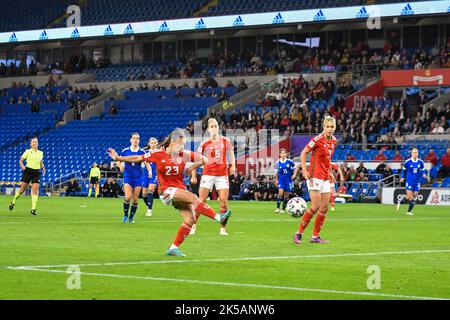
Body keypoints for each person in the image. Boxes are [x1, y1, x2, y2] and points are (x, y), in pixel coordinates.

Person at [107, 128, 232, 257]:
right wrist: (118, 158)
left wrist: (191, 169)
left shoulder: (183, 154)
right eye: (180, 143)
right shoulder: (158, 153)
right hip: (166, 191)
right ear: (172, 142)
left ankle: (173, 248)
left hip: (179, 190)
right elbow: (138, 157)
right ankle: (219, 218)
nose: (182, 146)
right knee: (193, 197)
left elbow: (204, 160)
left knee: (191, 219)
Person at [293, 116, 337, 245]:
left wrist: (330, 173)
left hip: (325, 177)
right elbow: (303, 152)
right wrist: (304, 170)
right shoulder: (317, 140)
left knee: (324, 208)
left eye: (332, 127)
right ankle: (298, 233)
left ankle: (315, 236)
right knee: (315, 206)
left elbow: (327, 160)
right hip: (314, 176)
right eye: (327, 127)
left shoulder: (334, 141)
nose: (330, 129)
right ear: (323, 126)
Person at [190, 118, 236, 236]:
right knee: (201, 200)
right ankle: (193, 225)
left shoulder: (226, 140)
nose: (214, 128)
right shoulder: (204, 143)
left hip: (222, 175)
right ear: (208, 129)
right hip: (208, 174)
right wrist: (194, 174)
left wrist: (233, 166)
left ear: (218, 128)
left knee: (223, 201)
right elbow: (196, 158)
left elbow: (231, 154)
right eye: (212, 126)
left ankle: (222, 228)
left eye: (216, 126)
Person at [117, 133, 150, 223]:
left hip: (138, 177)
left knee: (135, 200)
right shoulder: (125, 151)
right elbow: (118, 159)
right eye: (134, 138)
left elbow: (147, 163)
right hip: (128, 176)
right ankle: (125, 215)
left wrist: (150, 171)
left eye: (137, 138)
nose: (136, 140)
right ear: (130, 140)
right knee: (128, 197)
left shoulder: (142, 152)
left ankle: (131, 217)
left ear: (139, 140)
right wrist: (121, 166)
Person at [9, 137, 46, 215]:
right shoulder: (27, 151)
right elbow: (21, 161)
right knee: (22, 190)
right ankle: (13, 201)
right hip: (28, 171)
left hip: (36, 172)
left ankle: (33, 209)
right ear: (30, 144)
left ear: (38, 143)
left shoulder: (41, 153)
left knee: (35, 190)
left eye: (36, 142)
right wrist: (22, 167)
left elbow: (41, 162)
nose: (35, 143)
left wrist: (43, 168)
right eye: (33, 142)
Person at [396, 148, 428, 216]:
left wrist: (424, 174)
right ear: (411, 153)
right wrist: (402, 177)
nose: (415, 154)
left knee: (415, 195)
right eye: (413, 152)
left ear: (418, 153)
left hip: (417, 181)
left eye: (416, 152)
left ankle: (409, 211)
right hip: (409, 180)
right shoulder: (408, 161)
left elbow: (423, 169)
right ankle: (400, 201)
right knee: (409, 196)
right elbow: (403, 170)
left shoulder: (420, 162)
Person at [274, 148, 296, 213]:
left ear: (286, 154)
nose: (283, 154)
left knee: (286, 195)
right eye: (282, 153)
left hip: (288, 180)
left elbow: (295, 168)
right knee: (280, 193)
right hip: (281, 180)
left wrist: (294, 175)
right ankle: (277, 208)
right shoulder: (277, 163)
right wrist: (276, 180)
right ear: (280, 154)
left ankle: (283, 209)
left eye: (284, 153)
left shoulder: (290, 161)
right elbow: (276, 173)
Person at [142, 138, 159, 217]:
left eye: (154, 143)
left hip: (154, 174)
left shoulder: (159, 153)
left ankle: (149, 210)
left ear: (156, 144)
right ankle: (149, 205)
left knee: (150, 191)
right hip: (145, 174)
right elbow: (145, 162)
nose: (153, 144)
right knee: (144, 195)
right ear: (149, 144)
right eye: (151, 143)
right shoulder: (146, 152)